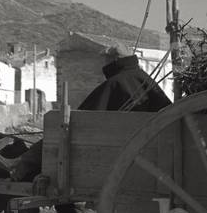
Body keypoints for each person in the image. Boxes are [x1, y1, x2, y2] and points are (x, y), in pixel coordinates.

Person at [9, 42, 170, 182]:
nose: (102, 65)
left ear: (113, 60)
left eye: (104, 60)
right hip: (153, 148)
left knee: (58, 133)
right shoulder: (144, 79)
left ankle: (23, 165)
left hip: (116, 154)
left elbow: (82, 117)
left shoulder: (116, 83)